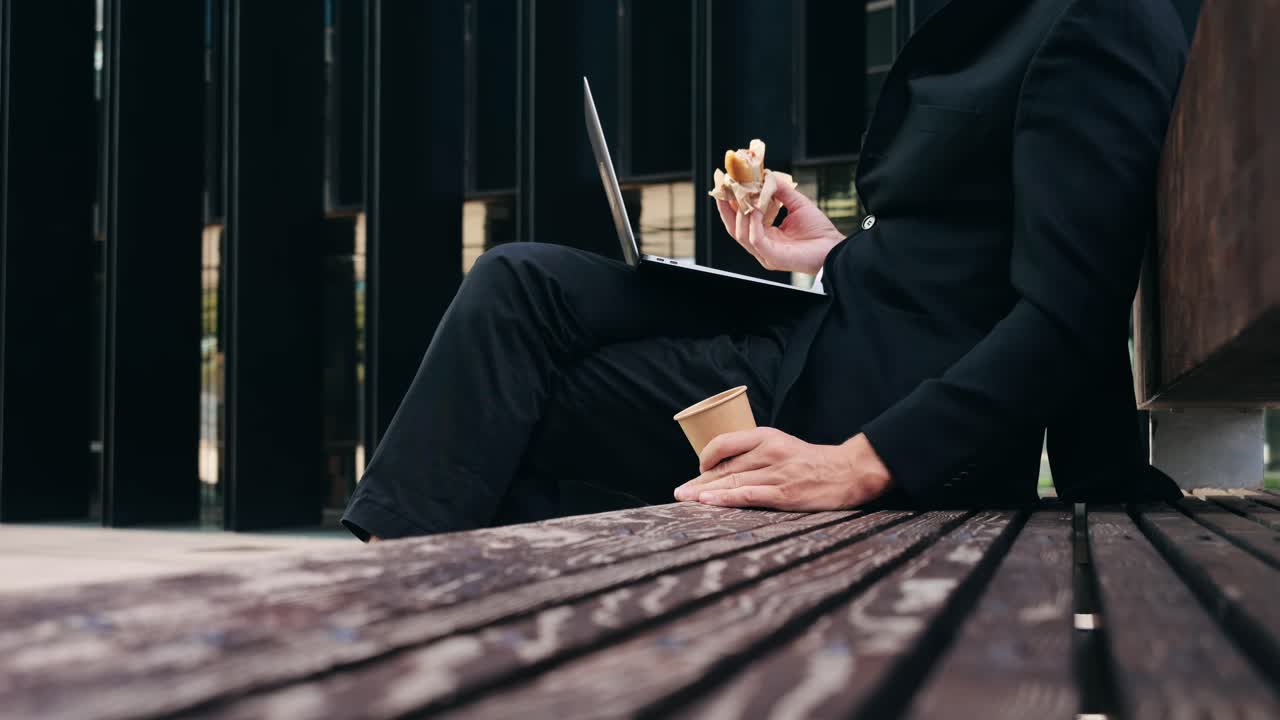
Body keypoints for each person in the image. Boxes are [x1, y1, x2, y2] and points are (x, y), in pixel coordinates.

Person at [341, 0, 1189, 542]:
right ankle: (398, 597)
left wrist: (862, 462)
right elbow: (968, 253)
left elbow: (1069, 316)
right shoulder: (1023, 16)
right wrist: (827, 252)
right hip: (833, 333)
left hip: (868, 404)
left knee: (512, 417)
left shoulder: (1095, 21)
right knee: (519, 283)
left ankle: (391, 612)